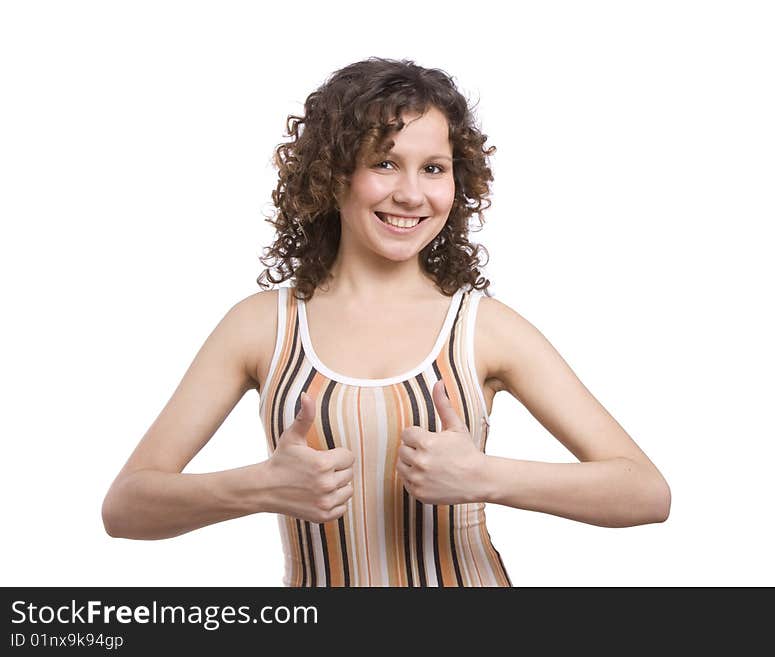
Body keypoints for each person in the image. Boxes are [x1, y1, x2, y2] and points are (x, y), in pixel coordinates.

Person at [102, 57, 671, 587]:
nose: (411, 194)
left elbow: (645, 493)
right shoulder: (260, 326)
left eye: (433, 168)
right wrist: (257, 487)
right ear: (331, 175)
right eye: (383, 163)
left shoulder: (485, 329)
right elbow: (126, 507)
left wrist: (487, 477)